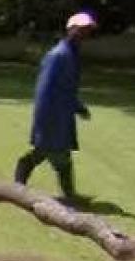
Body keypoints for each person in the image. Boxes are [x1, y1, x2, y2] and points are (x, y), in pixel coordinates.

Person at [14, 11, 98, 203]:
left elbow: (67, 88)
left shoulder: (70, 54)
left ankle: (20, 183)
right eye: (81, 29)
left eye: (87, 30)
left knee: (46, 153)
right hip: (53, 116)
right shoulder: (58, 55)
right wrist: (45, 121)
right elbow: (44, 90)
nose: (84, 34)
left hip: (61, 115)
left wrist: (78, 107)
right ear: (71, 30)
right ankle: (68, 196)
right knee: (59, 156)